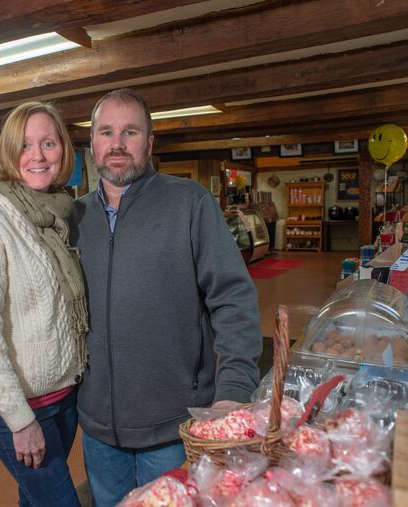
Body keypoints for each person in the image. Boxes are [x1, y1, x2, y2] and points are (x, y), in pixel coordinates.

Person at [70, 89, 262, 506]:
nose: (117, 143)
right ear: (92, 144)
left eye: (130, 132)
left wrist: (234, 387)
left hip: (174, 427)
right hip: (99, 431)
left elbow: (232, 298)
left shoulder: (190, 203)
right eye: (106, 132)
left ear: (150, 142)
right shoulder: (74, 217)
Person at [0, 102, 88, 507]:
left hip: (63, 397)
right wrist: (19, 419)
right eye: (25, 145)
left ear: (63, 151)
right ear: (8, 153)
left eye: (48, 143)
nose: (38, 156)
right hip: (20, 408)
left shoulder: (59, 213)